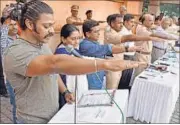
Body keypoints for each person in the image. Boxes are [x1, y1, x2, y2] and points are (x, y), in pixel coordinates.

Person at [3, 1, 147, 123]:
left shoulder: (42, 45)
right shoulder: (15, 52)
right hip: (32, 120)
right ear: (29, 24)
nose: (52, 31)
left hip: (54, 114)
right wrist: (104, 64)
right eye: (46, 26)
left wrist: (65, 91)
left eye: (52, 25)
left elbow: (53, 71)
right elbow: (54, 63)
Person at [104, 14, 164, 89]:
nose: (133, 24)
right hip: (117, 61)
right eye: (120, 23)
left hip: (123, 58)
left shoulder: (123, 30)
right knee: (114, 85)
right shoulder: (112, 32)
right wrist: (153, 38)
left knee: (123, 81)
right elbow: (129, 38)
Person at [79, 20, 144, 89]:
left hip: (99, 76)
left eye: (99, 31)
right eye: (96, 32)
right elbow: (106, 48)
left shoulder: (94, 42)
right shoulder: (85, 45)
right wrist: (127, 49)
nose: (99, 34)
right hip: (92, 80)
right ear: (87, 34)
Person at [55, 24, 88, 109]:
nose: (77, 42)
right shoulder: (61, 53)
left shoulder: (73, 49)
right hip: (68, 91)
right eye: (73, 39)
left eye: (78, 38)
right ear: (63, 39)